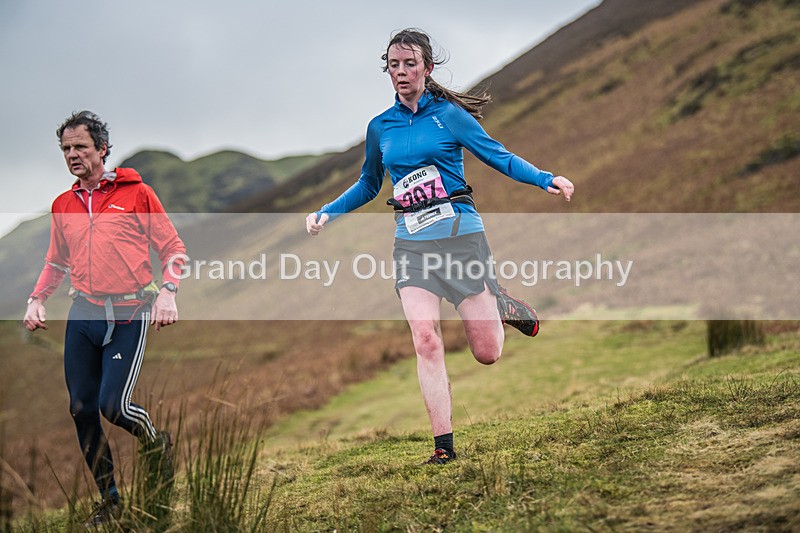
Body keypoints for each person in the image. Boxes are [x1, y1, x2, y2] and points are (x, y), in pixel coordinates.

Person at [306, 29, 575, 465]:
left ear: (427, 68)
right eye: (393, 66)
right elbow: (369, 184)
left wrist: (547, 178)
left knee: (487, 353)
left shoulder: (448, 116)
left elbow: (497, 155)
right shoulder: (381, 127)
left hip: (460, 237)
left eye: (409, 64)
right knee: (425, 339)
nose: (401, 73)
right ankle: (443, 447)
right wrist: (327, 212)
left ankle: (500, 303)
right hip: (411, 244)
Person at [22, 111, 186, 525]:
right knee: (81, 408)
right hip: (83, 314)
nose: (72, 155)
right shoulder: (63, 205)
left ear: (102, 149)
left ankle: (157, 443)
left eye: (80, 147)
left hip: (131, 313)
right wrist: (36, 300)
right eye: (65, 149)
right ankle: (111, 499)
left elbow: (173, 250)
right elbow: (56, 262)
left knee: (114, 407)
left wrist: (168, 293)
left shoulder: (137, 194)